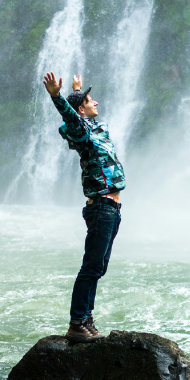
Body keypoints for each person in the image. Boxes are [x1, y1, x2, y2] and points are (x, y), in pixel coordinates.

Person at [43, 72, 126, 342]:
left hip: (112, 209)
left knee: (98, 267)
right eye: (91, 101)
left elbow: (82, 117)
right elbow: (71, 119)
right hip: (101, 207)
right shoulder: (82, 134)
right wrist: (58, 97)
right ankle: (77, 322)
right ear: (81, 110)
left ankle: (86, 317)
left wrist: (78, 92)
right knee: (91, 267)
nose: (97, 102)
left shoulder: (95, 130)